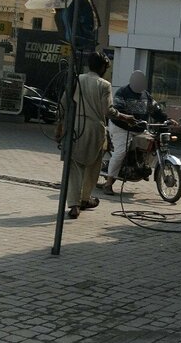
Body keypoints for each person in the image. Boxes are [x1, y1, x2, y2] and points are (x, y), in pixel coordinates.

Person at [55, 52, 137, 220]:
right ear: (102, 67)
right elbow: (108, 111)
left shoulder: (76, 79)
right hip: (95, 129)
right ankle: (85, 199)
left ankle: (74, 205)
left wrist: (60, 127)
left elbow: (63, 105)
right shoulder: (104, 85)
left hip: (76, 128)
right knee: (93, 167)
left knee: (74, 167)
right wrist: (125, 117)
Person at [100, 69, 174, 195]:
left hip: (139, 128)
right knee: (121, 152)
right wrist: (127, 119)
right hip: (121, 127)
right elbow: (117, 110)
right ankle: (108, 184)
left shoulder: (146, 95)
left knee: (151, 143)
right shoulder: (122, 92)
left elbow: (156, 110)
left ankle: (141, 166)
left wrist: (167, 119)